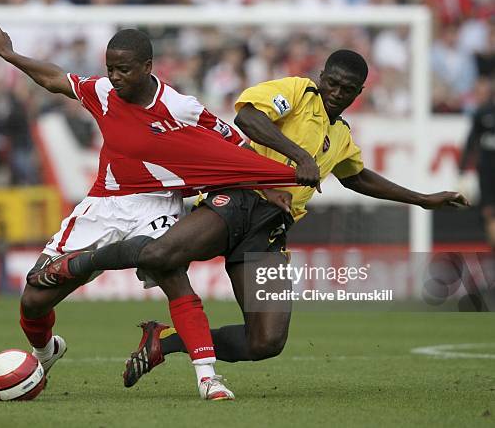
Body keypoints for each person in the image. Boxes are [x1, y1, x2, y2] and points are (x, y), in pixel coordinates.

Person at [35, 49, 470, 390]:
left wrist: (422, 199)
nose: (337, 92)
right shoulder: (298, 92)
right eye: (332, 83)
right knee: (161, 254)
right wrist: (297, 155)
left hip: (270, 232)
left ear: (359, 93)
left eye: (347, 89)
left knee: (266, 342)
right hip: (240, 199)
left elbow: (358, 178)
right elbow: (247, 115)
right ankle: (79, 263)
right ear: (322, 78)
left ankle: (162, 343)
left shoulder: (341, 137)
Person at [0, 24, 307, 401]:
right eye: (110, 68)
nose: (114, 77)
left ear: (147, 66)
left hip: (157, 204)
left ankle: (208, 377)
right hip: (104, 204)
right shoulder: (103, 92)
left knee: (170, 272)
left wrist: (265, 184)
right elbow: (56, 79)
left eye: (123, 69)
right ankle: (45, 353)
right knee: (34, 296)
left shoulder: (181, 107)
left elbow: (234, 146)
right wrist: (10, 56)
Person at [459, 79, 495, 253]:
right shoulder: (483, 113)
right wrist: (462, 169)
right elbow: (471, 141)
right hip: (488, 171)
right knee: (489, 212)